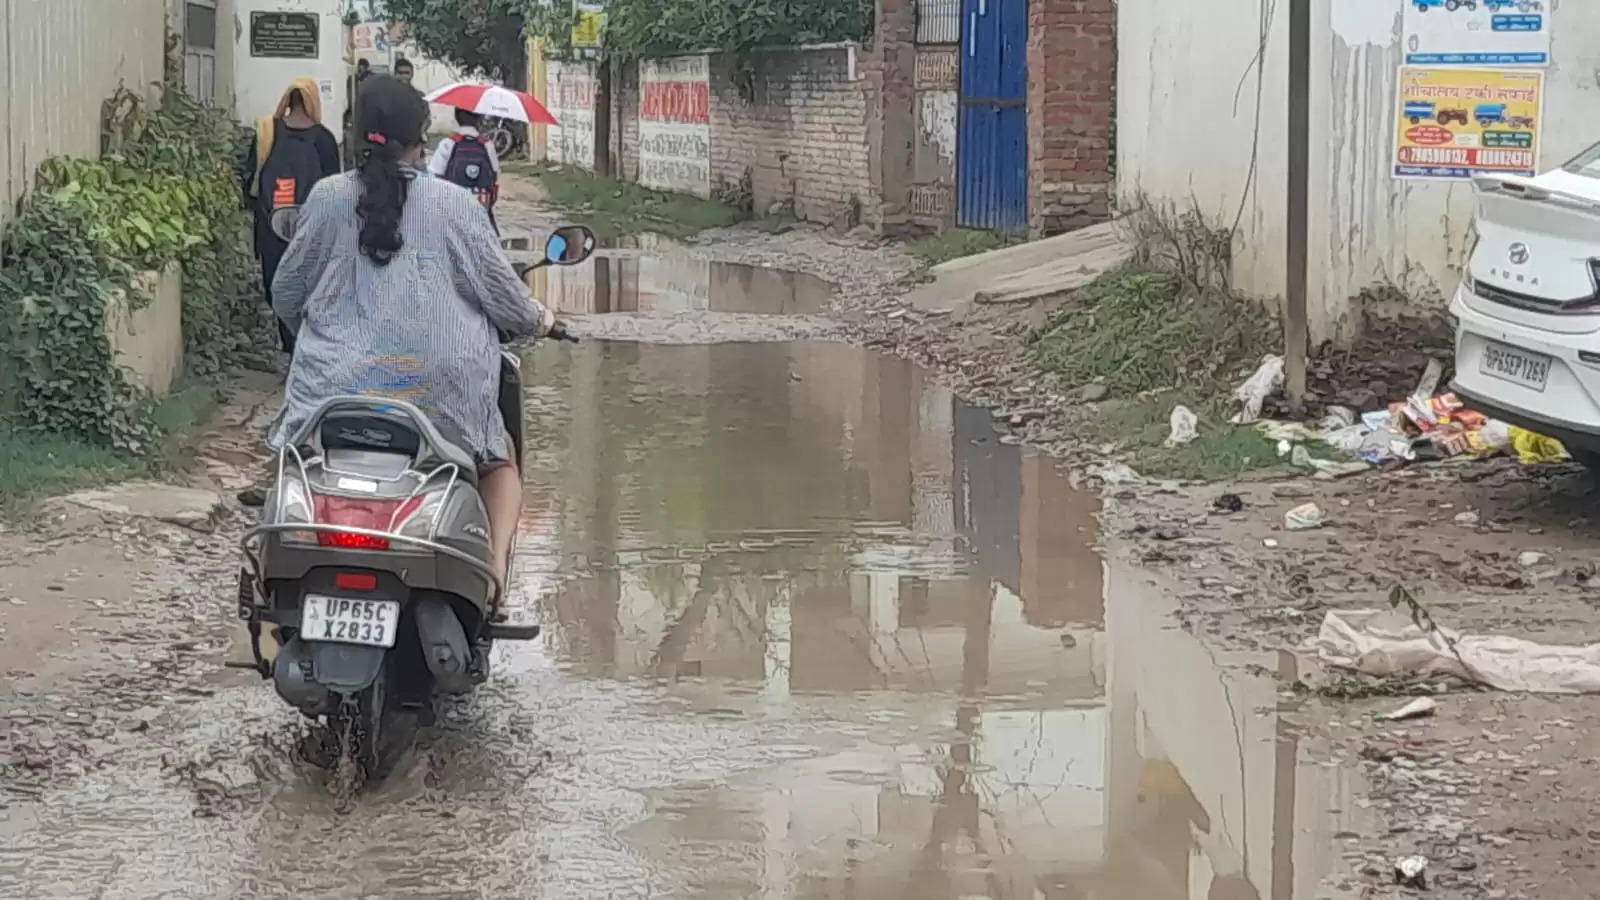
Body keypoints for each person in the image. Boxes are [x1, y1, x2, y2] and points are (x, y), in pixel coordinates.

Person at [268, 75, 556, 585]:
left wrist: (315, 338)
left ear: (355, 135)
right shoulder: (457, 208)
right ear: (420, 140)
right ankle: (491, 577)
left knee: (295, 467)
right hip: (439, 404)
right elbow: (508, 303)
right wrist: (544, 320)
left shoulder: (327, 198)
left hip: (329, 399)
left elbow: (287, 295)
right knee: (497, 462)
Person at [240, 78, 340, 354]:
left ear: (287, 101)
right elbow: (335, 190)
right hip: (313, 230)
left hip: (271, 229)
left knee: (276, 285)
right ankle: (308, 346)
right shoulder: (324, 139)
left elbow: (250, 180)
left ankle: (291, 344)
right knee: (313, 286)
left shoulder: (266, 133)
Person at [428, 108, 501, 230]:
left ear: (456, 118)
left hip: (453, 208)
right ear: (479, 119)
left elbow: (435, 175)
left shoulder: (448, 144)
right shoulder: (487, 145)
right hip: (481, 207)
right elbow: (495, 174)